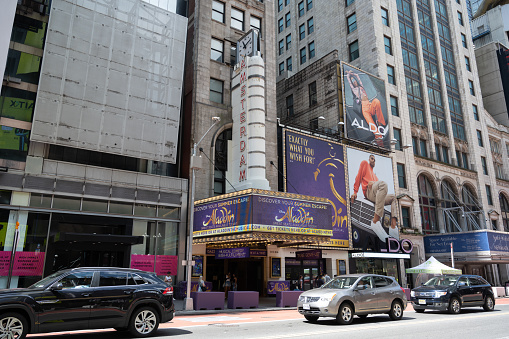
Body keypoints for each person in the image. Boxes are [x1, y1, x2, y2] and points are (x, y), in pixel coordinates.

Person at [351, 154, 398, 241]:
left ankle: (393, 226)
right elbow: (358, 177)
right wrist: (355, 192)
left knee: (393, 198)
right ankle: (375, 221)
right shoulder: (365, 164)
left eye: (374, 160)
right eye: (372, 158)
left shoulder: (375, 176)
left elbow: (380, 192)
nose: (373, 160)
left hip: (376, 196)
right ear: (369, 159)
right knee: (383, 184)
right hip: (368, 192)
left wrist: (374, 182)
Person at [346, 70, 386, 144]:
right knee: (371, 123)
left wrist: (354, 74)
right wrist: (348, 76)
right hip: (364, 108)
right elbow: (349, 81)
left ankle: (381, 123)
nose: (354, 81)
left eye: (354, 80)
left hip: (369, 104)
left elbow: (358, 78)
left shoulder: (361, 87)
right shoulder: (354, 89)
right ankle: (378, 136)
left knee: (377, 101)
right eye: (353, 81)